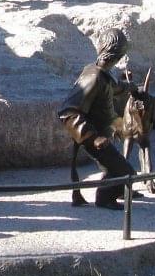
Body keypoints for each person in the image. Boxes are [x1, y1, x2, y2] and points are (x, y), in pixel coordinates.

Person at [57, 28, 140, 209]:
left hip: (105, 134)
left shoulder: (103, 73)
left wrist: (131, 87)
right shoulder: (93, 77)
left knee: (115, 169)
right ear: (117, 54)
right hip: (95, 138)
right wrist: (93, 138)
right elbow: (67, 112)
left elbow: (115, 87)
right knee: (127, 173)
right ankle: (105, 198)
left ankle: (120, 188)